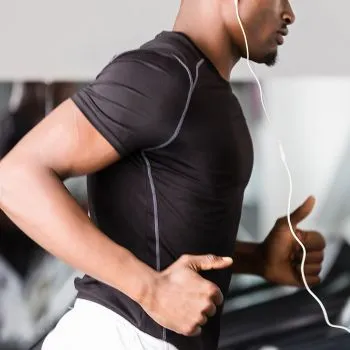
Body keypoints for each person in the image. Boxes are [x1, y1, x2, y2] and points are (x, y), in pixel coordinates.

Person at [0, 0, 326, 349]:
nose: (289, 12)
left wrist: (257, 259)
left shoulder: (208, 92)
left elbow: (161, 230)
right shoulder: (162, 76)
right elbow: (15, 178)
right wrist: (149, 289)